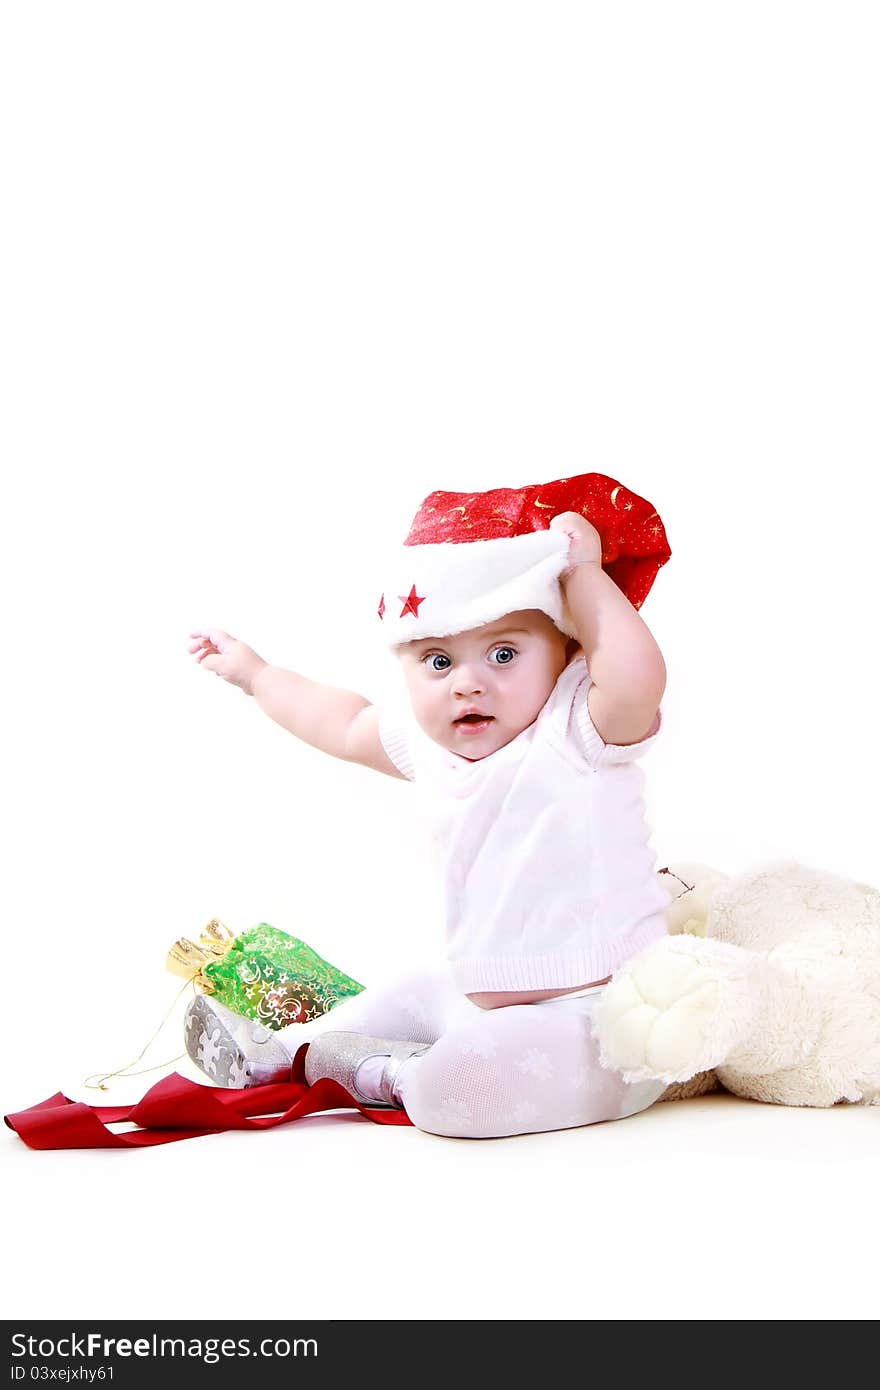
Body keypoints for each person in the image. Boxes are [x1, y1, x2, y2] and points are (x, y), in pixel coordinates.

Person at [183, 475, 672, 1137]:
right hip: (476, 997)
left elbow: (637, 674)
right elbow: (343, 722)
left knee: (459, 1092)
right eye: (438, 662)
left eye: (504, 653)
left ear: (567, 654)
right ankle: (300, 1050)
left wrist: (583, 577)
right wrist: (258, 676)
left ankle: (395, 1076)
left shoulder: (579, 727)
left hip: (603, 1018)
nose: (468, 682)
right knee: (406, 993)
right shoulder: (429, 744)